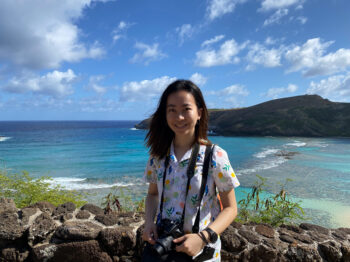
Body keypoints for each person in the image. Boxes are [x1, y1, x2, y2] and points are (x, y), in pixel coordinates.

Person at [142, 80, 240, 261]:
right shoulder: (157, 156)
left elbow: (231, 208)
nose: (179, 117)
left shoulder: (215, 156)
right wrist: (149, 223)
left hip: (201, 254)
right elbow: (153, 194)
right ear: (165, 114)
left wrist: (203, 238)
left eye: (186, 109)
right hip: (166, 250)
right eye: (172, 110)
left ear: (199, 113)